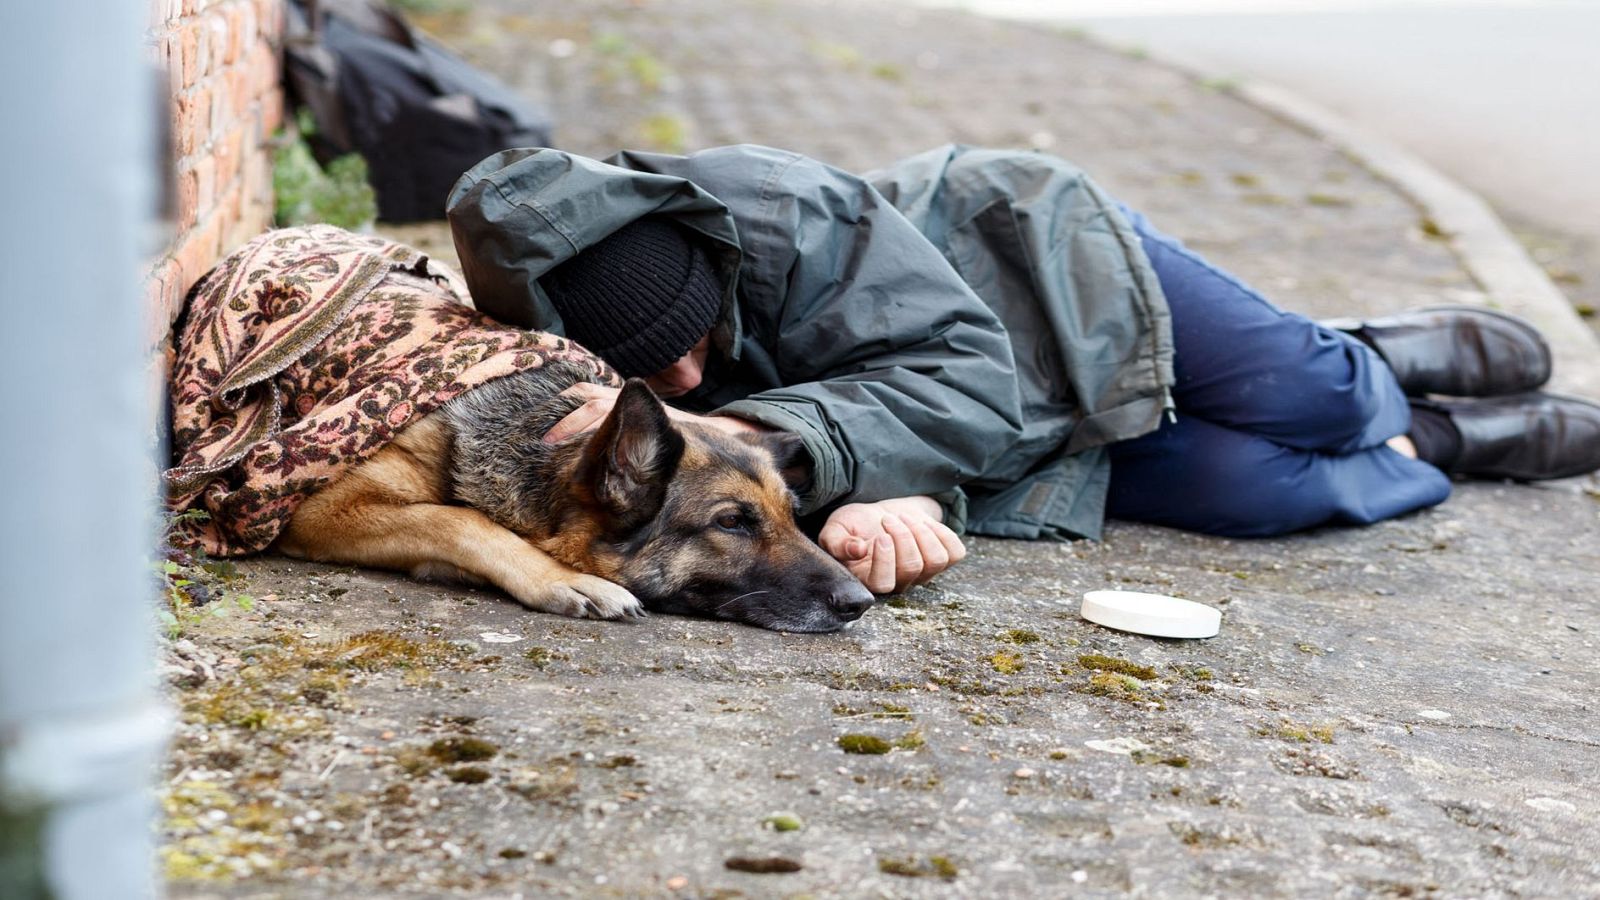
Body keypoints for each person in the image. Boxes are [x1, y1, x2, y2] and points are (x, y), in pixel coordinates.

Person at [444, 144, 1600, 594]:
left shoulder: (779, 207)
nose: (686, 377)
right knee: (1270, 492)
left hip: (1039, 280)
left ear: (704, 254)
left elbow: (956, 369)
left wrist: (762, 437)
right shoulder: (570, 348)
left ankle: (1366, 360)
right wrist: (884, 505)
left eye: (695, 334)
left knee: (1316, 399)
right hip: (965, 434)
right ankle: (1438, 443)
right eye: (657, 368)